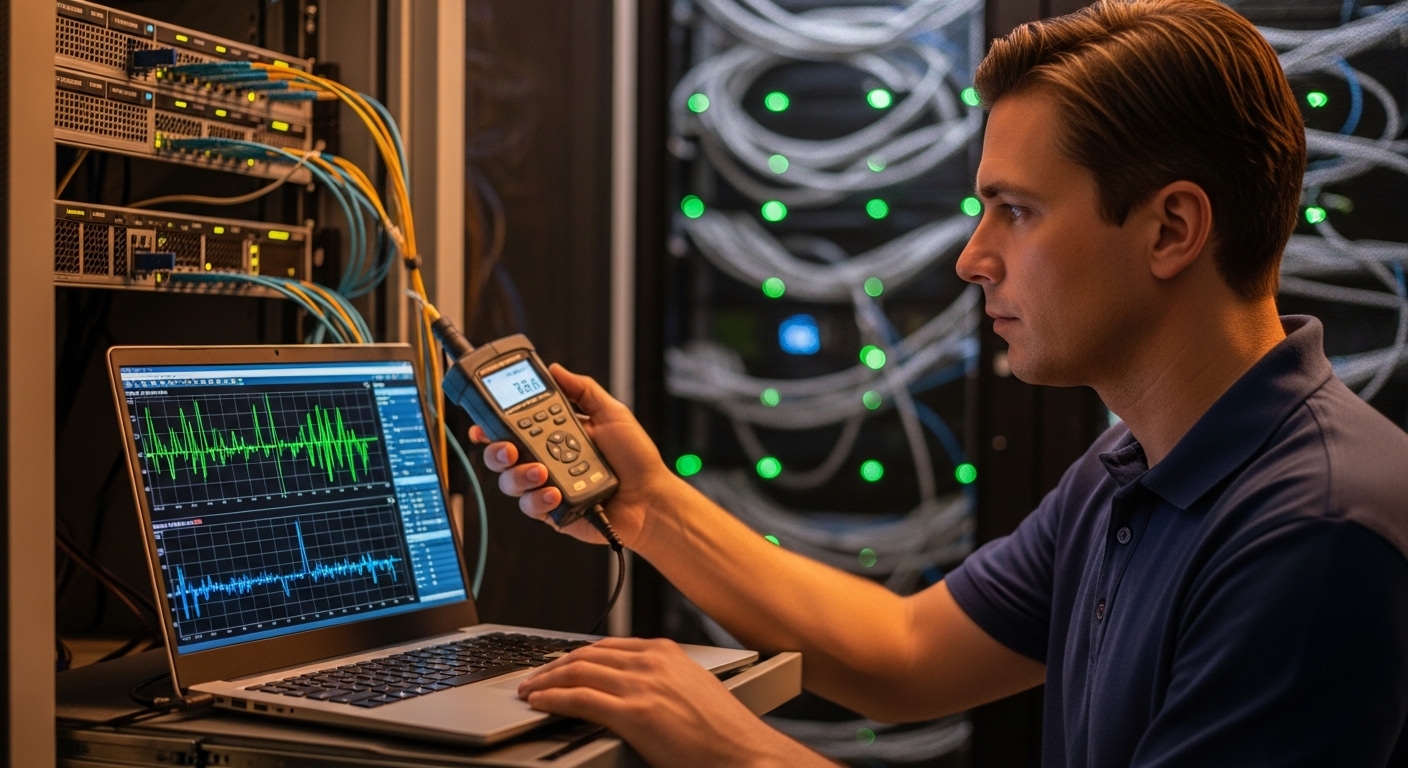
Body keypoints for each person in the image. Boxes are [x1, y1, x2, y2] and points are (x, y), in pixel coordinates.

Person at [471, 0, 1408, 765]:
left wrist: (734, 749)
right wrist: (650, 507)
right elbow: (906, 654)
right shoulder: (1135, 467)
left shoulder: (1315, 532)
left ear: (1171, 230)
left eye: (1016, 212)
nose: (971, 260)